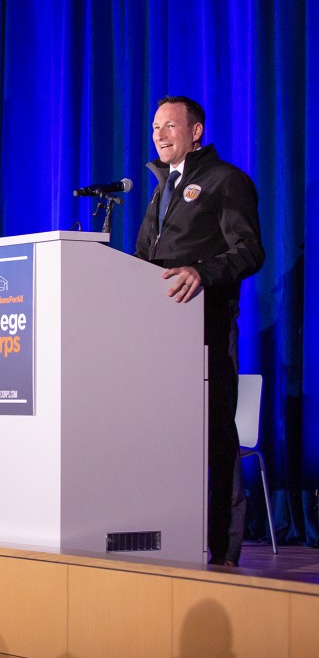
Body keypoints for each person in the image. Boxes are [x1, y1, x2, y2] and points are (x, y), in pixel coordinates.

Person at [134, 95, 265, 567]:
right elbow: (143, 261)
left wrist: (201, 273)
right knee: (158, 436)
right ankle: (165, 535)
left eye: (170, 126)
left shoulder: (225, 181)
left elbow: (250, 251)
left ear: (196, 131)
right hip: (157, 337)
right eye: (154, 128)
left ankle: (223, 550)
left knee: (215, 437)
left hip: (204, 330)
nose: (159, 134)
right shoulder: (159, 189)